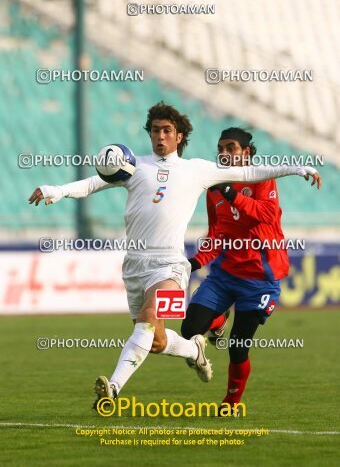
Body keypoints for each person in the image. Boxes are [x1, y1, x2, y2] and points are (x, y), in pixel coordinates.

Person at [28, 104, 321, 411]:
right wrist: (55, 190)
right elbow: (93, 183)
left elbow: (249, 171)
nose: (160, 136)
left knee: (147, 323)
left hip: (170, 266)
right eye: (155, 130)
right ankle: (196, 353)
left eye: (167, 130)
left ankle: (112, 389)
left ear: (179, 136)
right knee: (154, 340)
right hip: (134, 266)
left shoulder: (198, 169)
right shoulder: (132, 166)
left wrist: (297, 168)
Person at [181, 127, 319, 414]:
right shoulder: (214, 188)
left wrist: (232, 193)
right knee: (189, 330)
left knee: (238, 346)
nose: (224, 153)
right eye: (221, 148)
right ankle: (218, 321)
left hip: (260, 280)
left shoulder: (260, 179)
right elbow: (217, 234)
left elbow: (267, 214)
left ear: (246, 152)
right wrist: (195, 262)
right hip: (224, 275)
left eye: (231, 148)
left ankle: (231, 403)